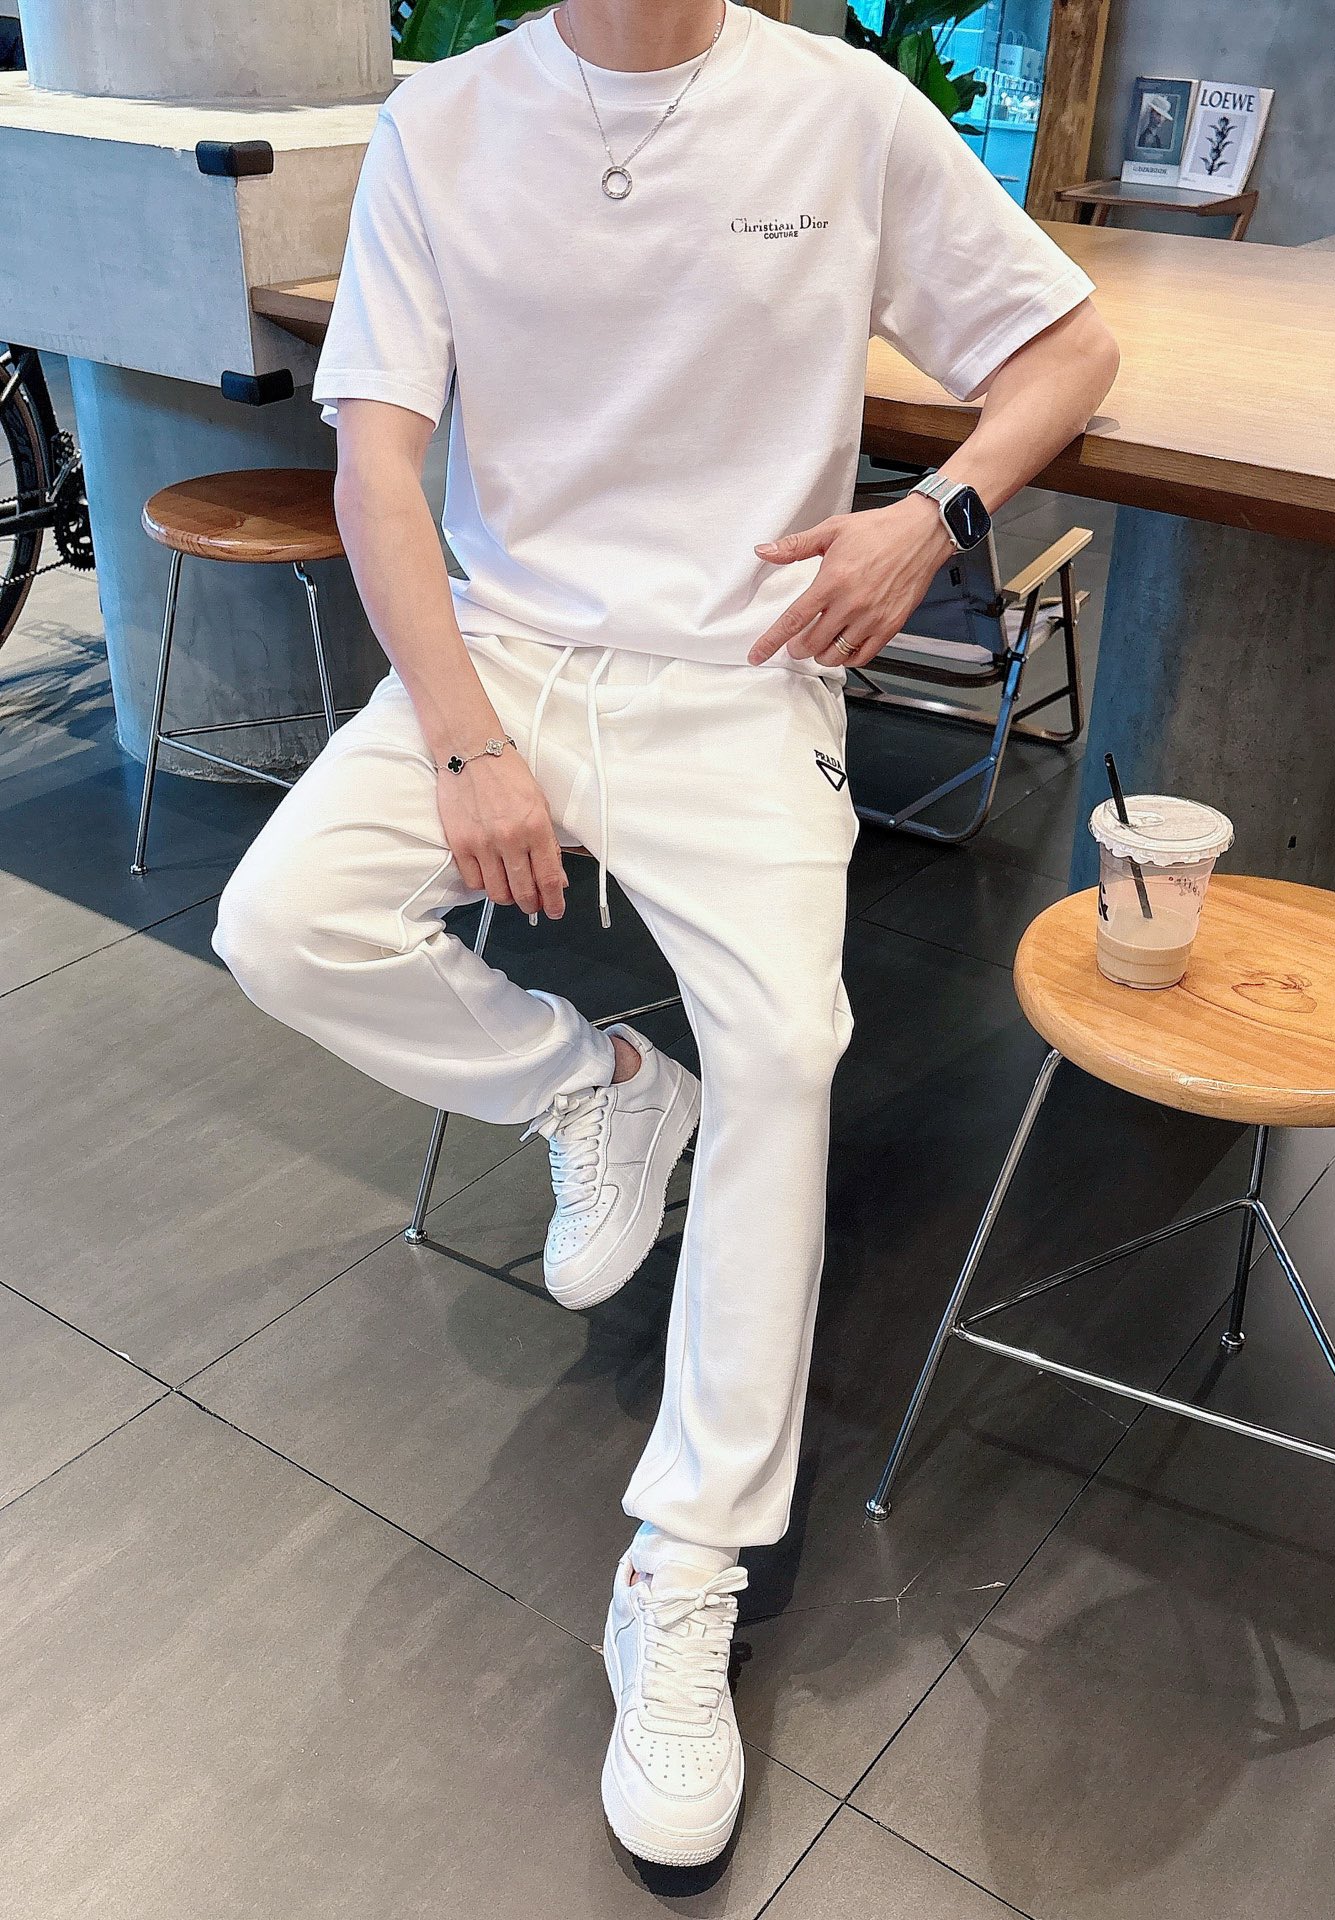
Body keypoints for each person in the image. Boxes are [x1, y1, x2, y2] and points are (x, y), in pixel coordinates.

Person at [213, 0, 1118, 1869]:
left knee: (787, 1051)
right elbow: (379, 470)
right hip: (509, 652)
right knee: (283, 923)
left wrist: (931, 518)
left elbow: (1071, 347)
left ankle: (686, 1564)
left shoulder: (843, 109)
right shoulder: (446, 124)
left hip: (742, 672)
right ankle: (599, 1089)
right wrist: (463, 737)